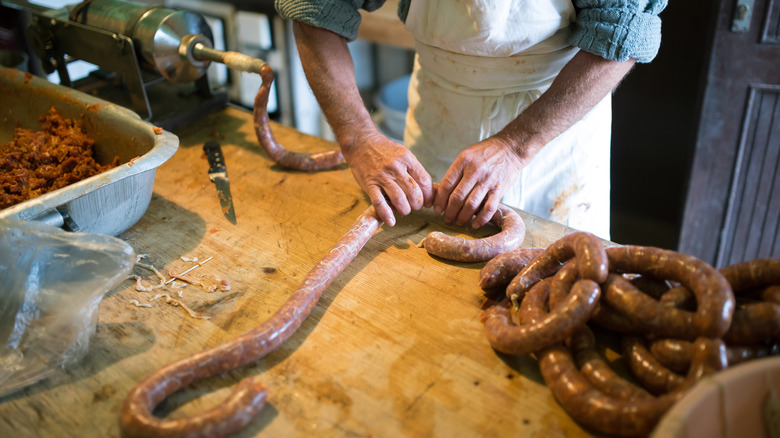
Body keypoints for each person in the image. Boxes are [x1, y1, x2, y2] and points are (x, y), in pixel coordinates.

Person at [275, 0, 667, 239]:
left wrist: (515, 146)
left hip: (556, 123)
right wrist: (357, 138)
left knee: (564, 279)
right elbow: (315, 9)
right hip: (441, 110)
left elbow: (620, 36)